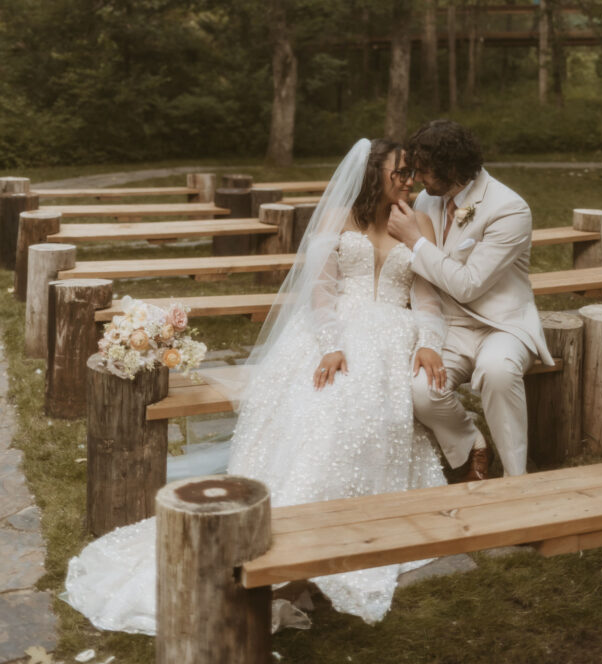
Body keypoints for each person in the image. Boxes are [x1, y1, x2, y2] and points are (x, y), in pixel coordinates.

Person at [64, 138, 448, 632]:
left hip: (395, 335)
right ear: (374, 173)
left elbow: (428, 300)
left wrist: (430, 342)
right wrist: (331, 344)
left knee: (363, 406)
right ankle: (281, 534)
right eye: (401, 172)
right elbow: (320, 293)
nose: (409, 180)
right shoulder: (338, 218)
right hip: (340, 333)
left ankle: (326, 536)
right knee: (324, 403)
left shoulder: (417, 221)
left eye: (412, 173)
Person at [387, 120, 553, 479]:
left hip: (501, 324)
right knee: (421, 389)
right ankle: (471, 441)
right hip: (450, 325)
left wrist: (414, 241)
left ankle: (515, 477)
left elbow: (468, 285)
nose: (417, 178)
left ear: (451, 168)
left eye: (424, 170)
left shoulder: (509, 209)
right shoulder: (430, 199)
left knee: (497, 370)